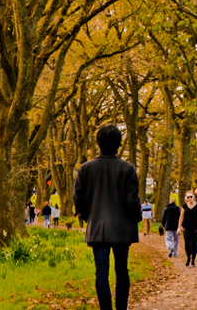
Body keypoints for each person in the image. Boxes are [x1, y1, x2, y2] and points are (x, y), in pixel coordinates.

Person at [73, 124, 142, 310]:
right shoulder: (128, 169)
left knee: (101, 272)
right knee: (122, 271)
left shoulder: (85, 169)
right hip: (123, 228)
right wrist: (136, 218)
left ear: (98, 142)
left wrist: (89, 217)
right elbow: (133, 201)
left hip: (98, 227)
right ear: (119, 143)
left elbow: (78, 199)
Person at [178, 191, 197, 267]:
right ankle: (188, 258)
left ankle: (193, 261)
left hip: (195, 227)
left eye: (191, 196)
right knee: (187, 244)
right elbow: (181, 217)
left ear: (193, 197)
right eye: (188, 197)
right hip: (187, 227)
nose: (190, 198)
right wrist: (179, 227)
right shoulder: (184, 206)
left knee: (194, 244)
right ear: (186, 198)